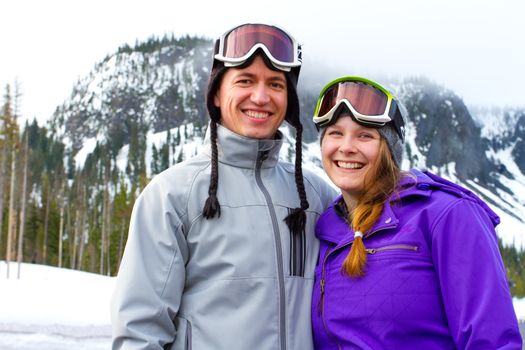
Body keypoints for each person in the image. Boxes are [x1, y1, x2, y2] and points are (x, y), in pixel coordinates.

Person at [110, 23, 336, 349]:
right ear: (217, 93)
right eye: (245, 80)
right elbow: (139, 331)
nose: (260, 97)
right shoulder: (172, 195)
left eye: (275, 84)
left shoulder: (315, 196)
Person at [310, 76, 522, 349]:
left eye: (365, 135)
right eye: (335, 133)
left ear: (389, 150)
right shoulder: (325, 229)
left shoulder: (447, 215)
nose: (347, 147)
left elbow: (492, 342)